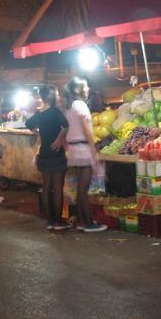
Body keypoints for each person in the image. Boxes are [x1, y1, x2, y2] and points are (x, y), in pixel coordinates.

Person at [63, 77, 107, 232]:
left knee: (80, 187)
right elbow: (86, 129)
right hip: (82, 149)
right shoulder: (80, 105)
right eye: (86, 86)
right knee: (83, 188)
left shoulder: (69, 106)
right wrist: (93, 148)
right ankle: (88, 223)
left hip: (74, 149)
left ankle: (82, 221)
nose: (88, 88)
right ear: (79, 89)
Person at [25, 86, 70, 230]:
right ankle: (58, 222)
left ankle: (49, 221)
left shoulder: (39, 113)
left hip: (44, 153)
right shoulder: (55, 111)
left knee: (46, 188)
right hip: (56, 153)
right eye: (57, 94)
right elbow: (66, 126)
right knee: (57, 189)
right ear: (52, 97)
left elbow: (28, 124)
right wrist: (58, 139)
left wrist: (38, 133)